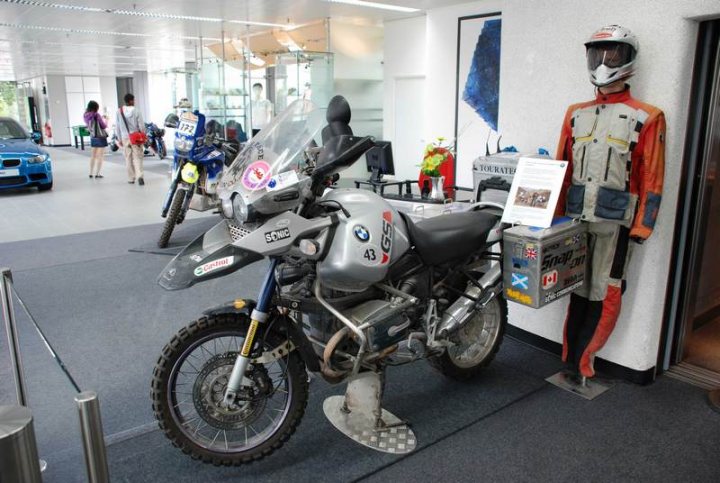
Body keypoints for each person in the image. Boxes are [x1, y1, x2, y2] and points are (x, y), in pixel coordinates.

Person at [555, 25, 666, 379]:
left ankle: (585, 362)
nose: (603, 62)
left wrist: (643, 225)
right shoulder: (576, 112)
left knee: (607, 290)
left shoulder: (647, 116)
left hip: (616, 223)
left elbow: (653, 177)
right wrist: (552, 216)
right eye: (597, 53)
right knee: (575, 285)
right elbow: (563, 166)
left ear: (628, 59)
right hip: (575, 217)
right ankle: (569, 355)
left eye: (613, 54)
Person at [115, 93, 146, 185]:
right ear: (131, 101)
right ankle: (139, 176)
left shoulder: (119, 111)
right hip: (136, 137)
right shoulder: (136, 111)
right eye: (133, 100)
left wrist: (119, 138)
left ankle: (131, 178)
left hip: (125, 137)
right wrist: (143, 135)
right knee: (138, 157)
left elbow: (118, 126)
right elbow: (141, 125)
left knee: (128, 157)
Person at [83, 100, 107, 178]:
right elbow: (103, 126)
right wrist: (106, 120)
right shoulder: (97, 115)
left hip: (93, 136)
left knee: (93, 155)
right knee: (100, 156)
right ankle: (97, 173)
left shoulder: (85, 115)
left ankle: (90, 173)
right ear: (96, 108)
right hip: (100, 136)